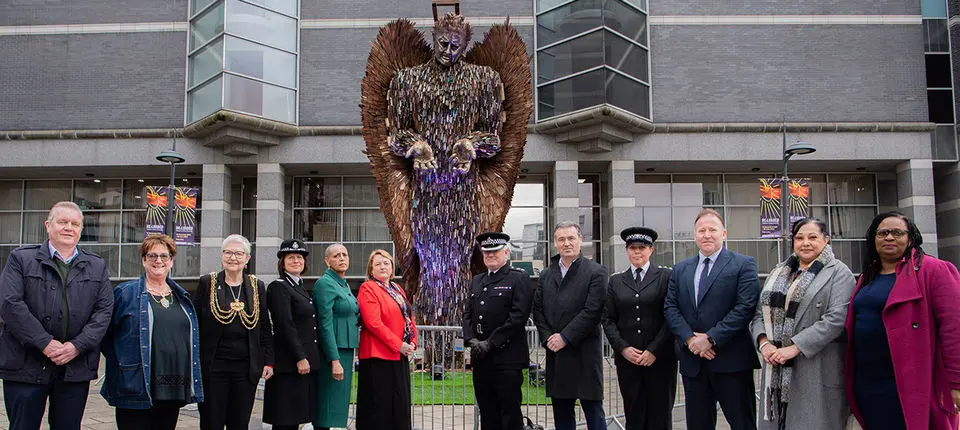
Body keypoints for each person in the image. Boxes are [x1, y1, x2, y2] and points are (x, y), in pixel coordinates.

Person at [0, 201, 113, 430]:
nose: (68, 228)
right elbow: (10, 304)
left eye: (74, 224)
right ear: (48, 226)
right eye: (62, 222)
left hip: (74, 367)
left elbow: (103, 312)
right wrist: (45, 343)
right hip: (25, 366)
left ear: (80, 229)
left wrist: (76, 346)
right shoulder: (20, 259)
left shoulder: (96, 266)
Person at [845, 211, 960, 430]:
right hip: (868, 382)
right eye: (883, 233)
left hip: (912, 382)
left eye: (897, 233)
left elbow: (954, 329)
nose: (889, 238)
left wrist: (956, 383)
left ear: (910, 238)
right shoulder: (867, 276)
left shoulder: (933, 271)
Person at [748, 218, 855, 430]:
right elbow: (759, 314)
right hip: (776, 365)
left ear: (826, 240)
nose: (806, 243)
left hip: (816, 366)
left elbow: (836, 319)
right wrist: (764, 344)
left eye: (813, 237)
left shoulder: (839, 273)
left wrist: (794, 348)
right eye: (800, 238)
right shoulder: (780, 272)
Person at [663, 208, 760, 430]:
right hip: (694, 363)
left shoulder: (743, 264)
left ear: (724, 233)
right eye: (701, 230)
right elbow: (670, 307)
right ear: (695, 235)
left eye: (712, 230)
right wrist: (690, 340)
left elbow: (745, 308)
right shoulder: (680, 269)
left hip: (731, 361)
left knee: (742, 423)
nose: (707, 235)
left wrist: (710, 338)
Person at [101, 234, 203, 430]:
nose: (158, 261)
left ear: (172, 260)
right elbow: (106, 337)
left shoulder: (182, 297)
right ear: (143, 260)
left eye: (164, 256)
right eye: (152, 256)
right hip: (136, 386)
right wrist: (123, 364)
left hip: (172, 387)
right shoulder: (125, 293)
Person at [532, 221, 608, 430]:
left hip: (584, 353)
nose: (566, 243)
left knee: (594, 412)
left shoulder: (596, 272)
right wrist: (549, 338)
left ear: (580, 240)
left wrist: (564, 337)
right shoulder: (547, 274)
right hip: (557, 355)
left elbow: (592, 311)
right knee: (562, 413)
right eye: (561, 239)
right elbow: (537, 310)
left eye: (571, 238)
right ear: (555, 243)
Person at [194, 234, 274, 430]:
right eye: (228, 252)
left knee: (239, 422)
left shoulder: (256, 286)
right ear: (222, 256)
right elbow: (195, 324)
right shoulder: (208, 283)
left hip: (246, 368)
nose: (233, 258)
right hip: (214, 367)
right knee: (212, 421)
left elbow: (264, 326)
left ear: (247, 259)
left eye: (239, 254)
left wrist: (268, 360)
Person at [602, 227, 676, 430]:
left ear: (651, 250)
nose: (637, 252)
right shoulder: (616, 281)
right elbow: (608, 319)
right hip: (629, 363)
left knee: (660, 417)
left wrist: (654, 350)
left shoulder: (665, 277)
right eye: (632, 248)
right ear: (627, 250)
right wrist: (623, 348)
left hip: (659, 361)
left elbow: (671, 317)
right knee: (634, 415)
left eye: (642, 247)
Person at [462, 232, 533, 430]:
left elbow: (518, 316)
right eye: (487, 253)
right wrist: (471, 340)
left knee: (509, 412)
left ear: (506, 252)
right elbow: (467, 314)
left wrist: (490, 342)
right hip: (482, 359)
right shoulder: (477, 280)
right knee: (487, 411)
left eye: (495, 252)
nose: (491, 256)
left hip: (507, 359)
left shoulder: (518, 278)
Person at [355, 249, 418, 430]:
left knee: (399, 405)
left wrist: (412, 342)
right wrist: (398, 345)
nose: (383, 266)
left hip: (399, 356)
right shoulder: (368, 288)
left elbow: (409, 316)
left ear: (392, 267)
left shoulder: (397, 288)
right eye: (378, 264)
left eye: (386, 263)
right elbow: (373, 323)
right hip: (378, 357)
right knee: (379, 409)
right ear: (371, 269)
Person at [263, 239, 319, 430]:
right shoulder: (279, 286)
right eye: (291, 257)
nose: (296, 261)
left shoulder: (299, 286)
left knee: (295, 419)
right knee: (285, 420)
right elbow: (284, 325)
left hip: (300, 366)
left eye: (300, 257)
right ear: (282, 262)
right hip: (289, 364)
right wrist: (300, 357)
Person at [313, 243, 359, 430]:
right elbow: (325, 324)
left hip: (345, 351)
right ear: (327, 261)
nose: (341, 258)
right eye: (336, 256)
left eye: (344, 254)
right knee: (327, 405)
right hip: (333, 353)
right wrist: (334, 359)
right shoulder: (324, 283)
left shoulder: (343, 283)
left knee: (338, 404)